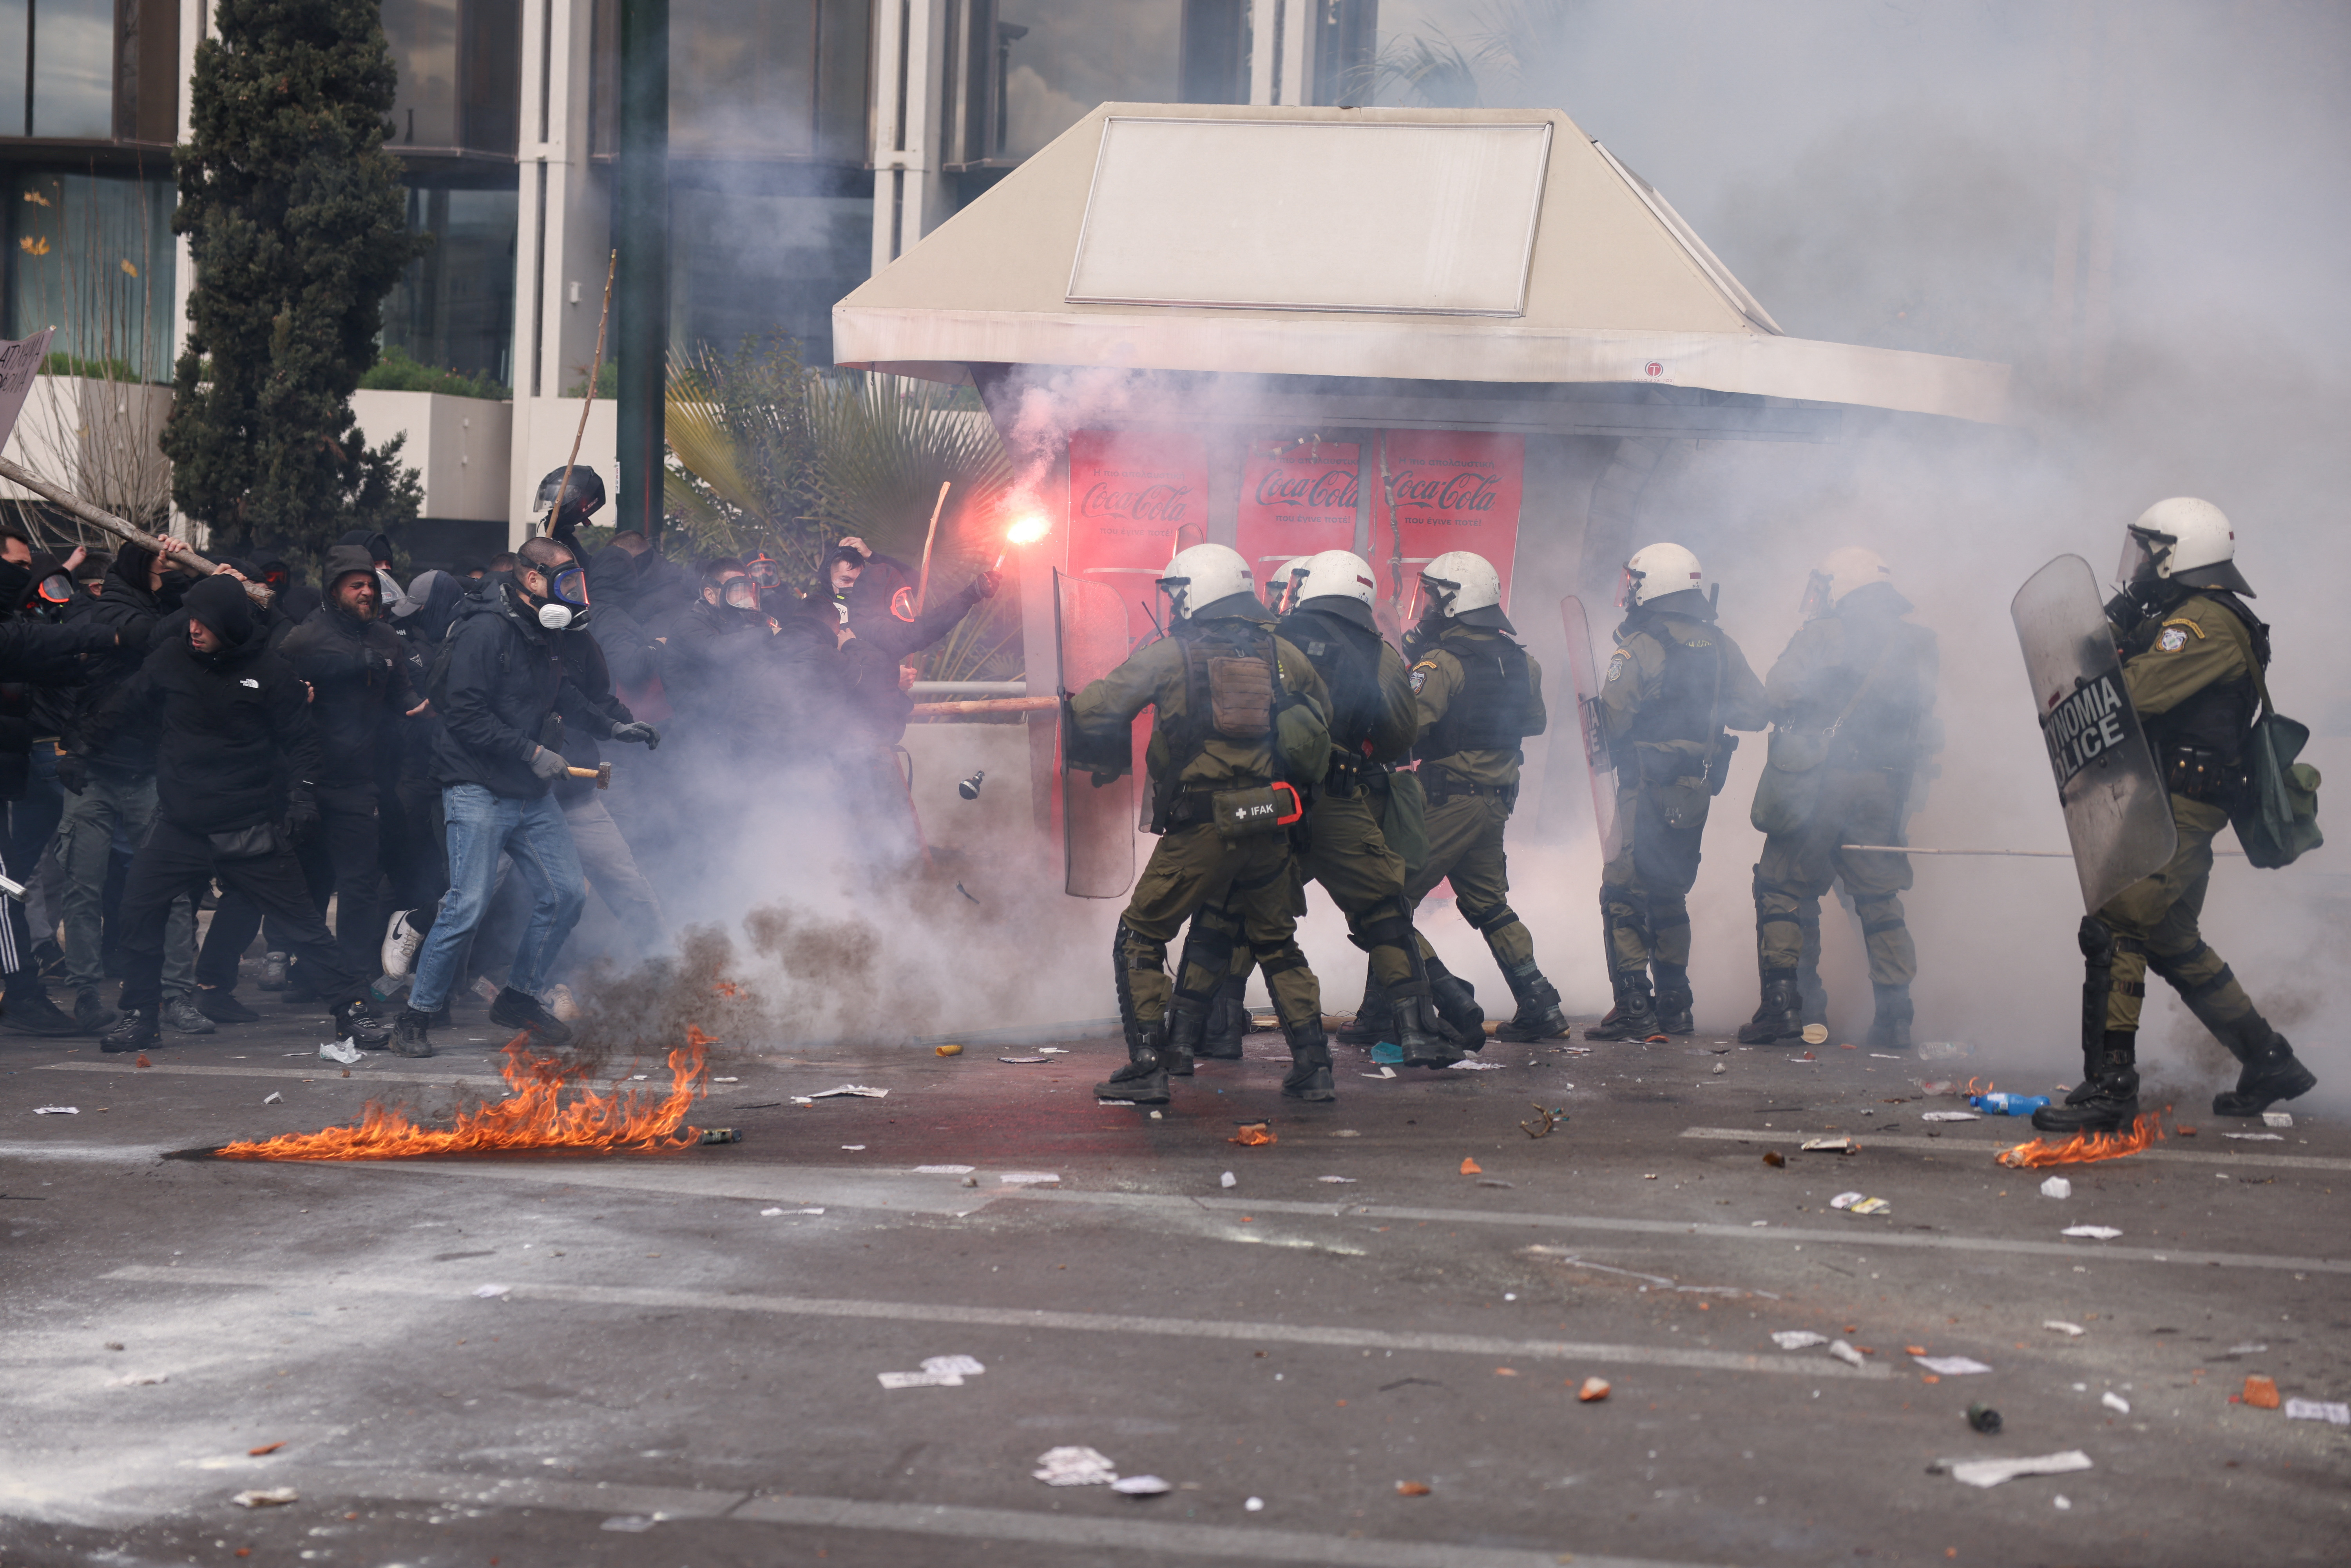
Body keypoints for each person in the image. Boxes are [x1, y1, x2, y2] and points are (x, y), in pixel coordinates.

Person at [2034, 499, 2317, 1134]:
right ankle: (2269, 1059)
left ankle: (2112, 1085)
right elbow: (2092, 655)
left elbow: (2133, 692)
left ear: (2179, 555)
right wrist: (2118, 619)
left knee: (2116, 924)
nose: (2137, 566)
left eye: (2148, 553)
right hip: (2167, 799)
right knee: (2171, 939)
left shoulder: (2205, 623)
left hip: (2182, 803)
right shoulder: (2177, 616)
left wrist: (2128, 637)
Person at [1177, 549, 1468, 1068]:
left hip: (1269, 799)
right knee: (1384, 912)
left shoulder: (1268, 639)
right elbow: (1401, 733)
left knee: (1236, 904)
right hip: (1339, 800)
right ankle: (1419, 1030)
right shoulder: (1379, 653)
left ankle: (1213, 1029)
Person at [1066, 543, 1334, 1104]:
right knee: (1277, 941)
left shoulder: (1172, 655)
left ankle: (1148, 1065)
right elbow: (1320, 715)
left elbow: (1095, 708)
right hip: (1269, 817)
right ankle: (1314, 1067)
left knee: (1140, 934)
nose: (1175, 604)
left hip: (1205, 824)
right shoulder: (1281, 651)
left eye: (1178, 592)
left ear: (1198, 592)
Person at [73, 575, 384, 1052]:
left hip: (249, 825)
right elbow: (125, 704)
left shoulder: (270, 669)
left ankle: (353, 1012)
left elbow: (302, 741)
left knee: (302, 925)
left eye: (205, 621)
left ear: (230, 624)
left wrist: (302, 795)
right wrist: (83, 749)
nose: (194, 629)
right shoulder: (171, 659)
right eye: (191, 618)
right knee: (137, 911)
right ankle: (139, 1015)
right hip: (180, 824)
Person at [389, 537, 655, 1057]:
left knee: (565, 895)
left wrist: (615, 725)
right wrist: (531, 750)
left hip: (529, 792)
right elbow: (464, 713)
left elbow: (565, 695)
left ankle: (517, 997)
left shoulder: (544, 633)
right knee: (466, 907)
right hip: (477, 788)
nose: (576, 594)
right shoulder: (485, 630)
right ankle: (414, 1017)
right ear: (531, 580)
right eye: (565, 583)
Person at [196, 545, 422, 1024]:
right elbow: (269, 697)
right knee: (271, 885)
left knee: (359, 884)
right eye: (355, 584)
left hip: (358, 786)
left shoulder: (386, 638)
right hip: (298, 783)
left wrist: (424, 715)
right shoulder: (304, 639)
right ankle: (220, 983)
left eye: (371, 585)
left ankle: (352, 978)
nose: (366, 592)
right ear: (334, 588)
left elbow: (404, 696)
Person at [1738, 549, 1939, 1048]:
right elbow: (1925, 717)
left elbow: (1778, 690)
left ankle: (1788, 1008)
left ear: (1842, 586)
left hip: (1823, 781)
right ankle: (1896, 1018)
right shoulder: (1918, 642)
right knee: (1877, 896)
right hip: (1885, 788)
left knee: (1783, 885)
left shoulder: (1823, 633)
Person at [1587, 543, 1765, 1040]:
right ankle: (1674, 1004)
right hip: (1696, 788)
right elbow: (1755, 712)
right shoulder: (1722, 645)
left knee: (1623, 890)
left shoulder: (1641, 645)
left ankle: (1634, 1005)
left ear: (1653, 586)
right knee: (1669, 891)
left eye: (1635, 582)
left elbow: (1614, 720)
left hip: (1645, 785)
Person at [1399, 550, 1570, 1043]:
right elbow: (1533, 723)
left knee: (1385, 901)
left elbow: (1406, 727)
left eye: (1433, 597)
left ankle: (1445, 999)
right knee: (1489, 904)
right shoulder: (1523, 661)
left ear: (1454, 603)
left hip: (1447, 801)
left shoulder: (1441, 663)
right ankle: (1540, 1001)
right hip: (1494, 801)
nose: (1427, 607)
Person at [58, 541, 207, 1036]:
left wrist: (191, 573)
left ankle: (177, 995)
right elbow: (154, 636)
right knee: (83, 888)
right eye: (160, 564)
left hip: (149, 772)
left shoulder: (173, 606)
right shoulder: (111, 612)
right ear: (138, 568)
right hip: (96, 769)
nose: (167, 570)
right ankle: (85, 993)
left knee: (174, 891)